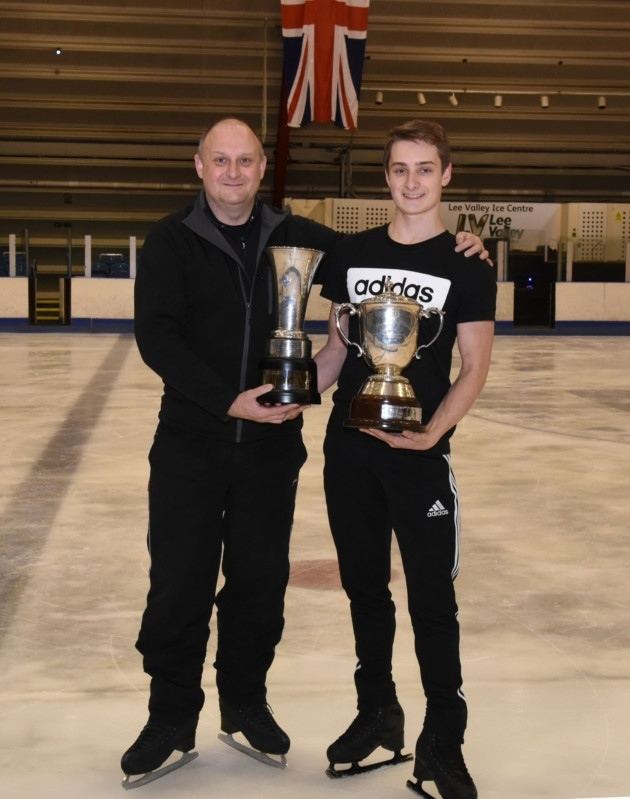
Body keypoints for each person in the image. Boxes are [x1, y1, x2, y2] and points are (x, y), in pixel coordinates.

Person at [121, 116, 488, 786]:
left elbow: (389, 283)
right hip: (192, 442)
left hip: (273, 448)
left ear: (263, 169)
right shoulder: (172, 240)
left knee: (260, 584)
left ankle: (247, 703)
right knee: (179, 583)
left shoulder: (296, 235)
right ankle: (170, 715)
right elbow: (158, 339)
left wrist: (469, 242)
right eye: (221, 160)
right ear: (199, 166)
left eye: (247, 161)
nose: (234, 173)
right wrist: (230, 398)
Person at [314, 120, 496, 799]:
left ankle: (443, 741)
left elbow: (474, 366)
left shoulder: (468, 262)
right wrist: (287, 390)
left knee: (432, 599)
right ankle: (378, 713)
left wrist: (432, 434)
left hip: (419, 458)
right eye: (399, 169)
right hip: (349, 450)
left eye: (424, 169)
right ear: (385, 176)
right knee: (364, 586)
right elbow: (335, 352)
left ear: (445, 175)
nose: (411, 182)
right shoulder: (350, 254)